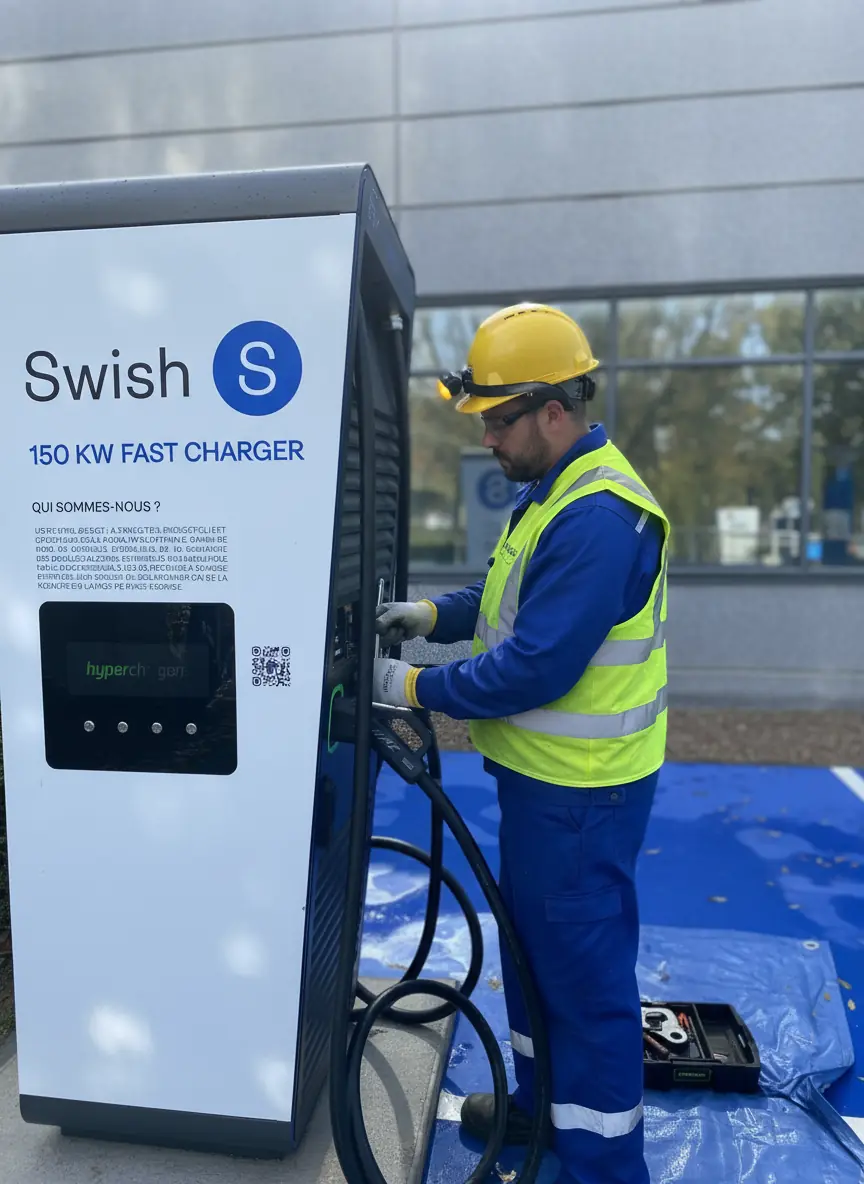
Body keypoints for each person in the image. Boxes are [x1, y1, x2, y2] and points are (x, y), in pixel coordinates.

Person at [373, 303, 668, 1184]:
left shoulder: (599, 518)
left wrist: (411, 685)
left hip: (581, 798)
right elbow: (507, 598)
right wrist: (432, 615)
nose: (490, 439)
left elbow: (533, 666)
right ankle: (541, 1114)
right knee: (534, 959)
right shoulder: (553, 492)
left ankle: (603, 1168)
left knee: (584, 989)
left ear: (553, 408)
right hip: (545, 789)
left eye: (500, 419)